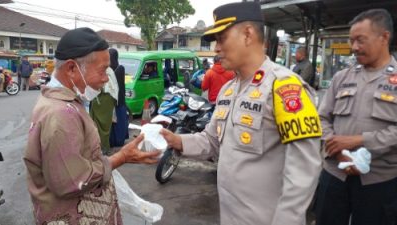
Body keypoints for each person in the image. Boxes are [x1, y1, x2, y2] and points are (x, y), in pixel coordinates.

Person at [160, 2, 322, 225]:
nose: (216, 49)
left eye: (222, 38)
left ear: (247, 35)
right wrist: (176, 140)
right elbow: (211, 141)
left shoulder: (284, 87)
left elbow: (304, 169)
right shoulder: (229, 90)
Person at [23, 27, 160, 224]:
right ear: (71, 69)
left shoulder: (65, 103)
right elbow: (74, 181)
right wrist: (121, 157)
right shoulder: (61, 114)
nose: (106, 79)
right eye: (103, 70)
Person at [316, 9, 397, 225]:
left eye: (360, 40)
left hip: (379, 182)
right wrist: (339, 152)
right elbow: (321, 119)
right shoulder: (342, 77)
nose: (354, 48)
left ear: (384, 37)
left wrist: (360, 140)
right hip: (334, 175)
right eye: (352, 41)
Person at [89, 66, 118, 155]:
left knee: (102, 126)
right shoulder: (108, 70)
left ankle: (102, 148)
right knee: (99, 126)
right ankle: (101, 148)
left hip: (103, 100)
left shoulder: (105, 70)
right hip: (102, 100)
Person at [109, 48, 129, 147]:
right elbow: (122, 86)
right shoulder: (121, 68)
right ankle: (119, 140)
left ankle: (115, 141)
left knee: (114, 122)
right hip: (119, 100)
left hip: (113, 100)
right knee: (119, 122)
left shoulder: (110, 70)